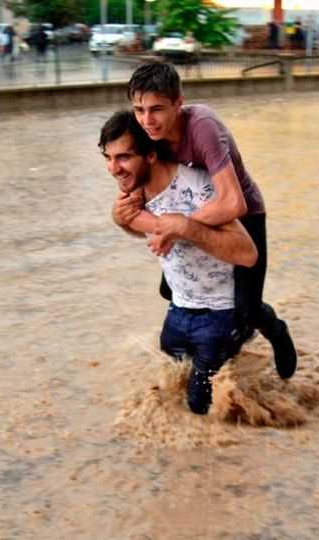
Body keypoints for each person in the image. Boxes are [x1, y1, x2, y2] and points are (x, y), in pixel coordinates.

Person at [112, 59, 297, 380]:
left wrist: (179, 228)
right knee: (169, 291)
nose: (147, 120)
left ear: (178, 103)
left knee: (248, 309)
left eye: (156, 109)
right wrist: (122, 215)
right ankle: (225, 338)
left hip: (245, 213)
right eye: (139, 109)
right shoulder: (148, 134)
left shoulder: (202, 127)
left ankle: (274, 329)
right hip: (193, 213)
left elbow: (233, 202)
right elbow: (137, 200)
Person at [100, 110, 258, 414]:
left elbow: (247, 252)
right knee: (167, 392)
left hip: (219, 312)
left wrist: (184, 227)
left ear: (150, 155)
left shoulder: (198, 185)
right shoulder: (136, 192)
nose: (113, 169)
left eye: (123, 157)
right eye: (108, 158)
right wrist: (121, 222)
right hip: (178, 309)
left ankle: (254, 324)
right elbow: (147, 230)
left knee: (199, 406)